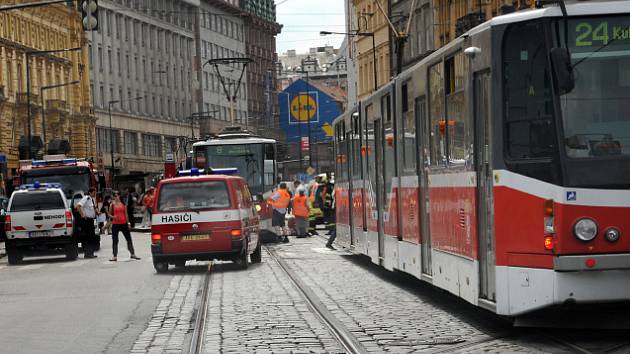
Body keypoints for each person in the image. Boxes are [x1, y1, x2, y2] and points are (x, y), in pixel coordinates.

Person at [108, 191, 141, 262]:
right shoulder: (112, 205)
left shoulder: (123, 204)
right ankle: (114, 256)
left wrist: (128, 222)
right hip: (115, 224)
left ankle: (132, 254)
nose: (116, 197)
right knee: (115, 240)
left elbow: (126, 214)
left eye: (117, 195)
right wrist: (113, 216)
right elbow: (109, 214)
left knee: (128, 239)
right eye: (114, 196)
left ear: (119, 196)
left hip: (124, 223)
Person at [76, 187, 99, 258]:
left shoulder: (92, 199)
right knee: (88, 238)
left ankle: (90, 253)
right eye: (94, 192)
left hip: (91, 220)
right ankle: (88, 253)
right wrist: (82, 214)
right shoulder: (86, 198)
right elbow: (78, 206)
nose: (95, 194)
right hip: (87, 221)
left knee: (91, 237)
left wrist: (97, 212)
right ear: (90, 192)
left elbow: (93, 208)